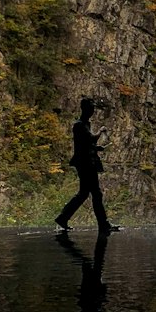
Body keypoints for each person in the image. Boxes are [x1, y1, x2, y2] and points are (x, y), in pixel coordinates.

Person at [55, 96, 117, 234]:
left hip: (87, 162)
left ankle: (63, 218)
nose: (92, 111)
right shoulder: (79, 125)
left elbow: (86, 144)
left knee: (84, 193)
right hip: (85, 164)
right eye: (91, 108)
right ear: (85, 109)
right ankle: (103, 224)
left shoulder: (84, 125)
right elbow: (90, 139)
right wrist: (100, 131)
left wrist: (96, 148)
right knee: (95, 193)